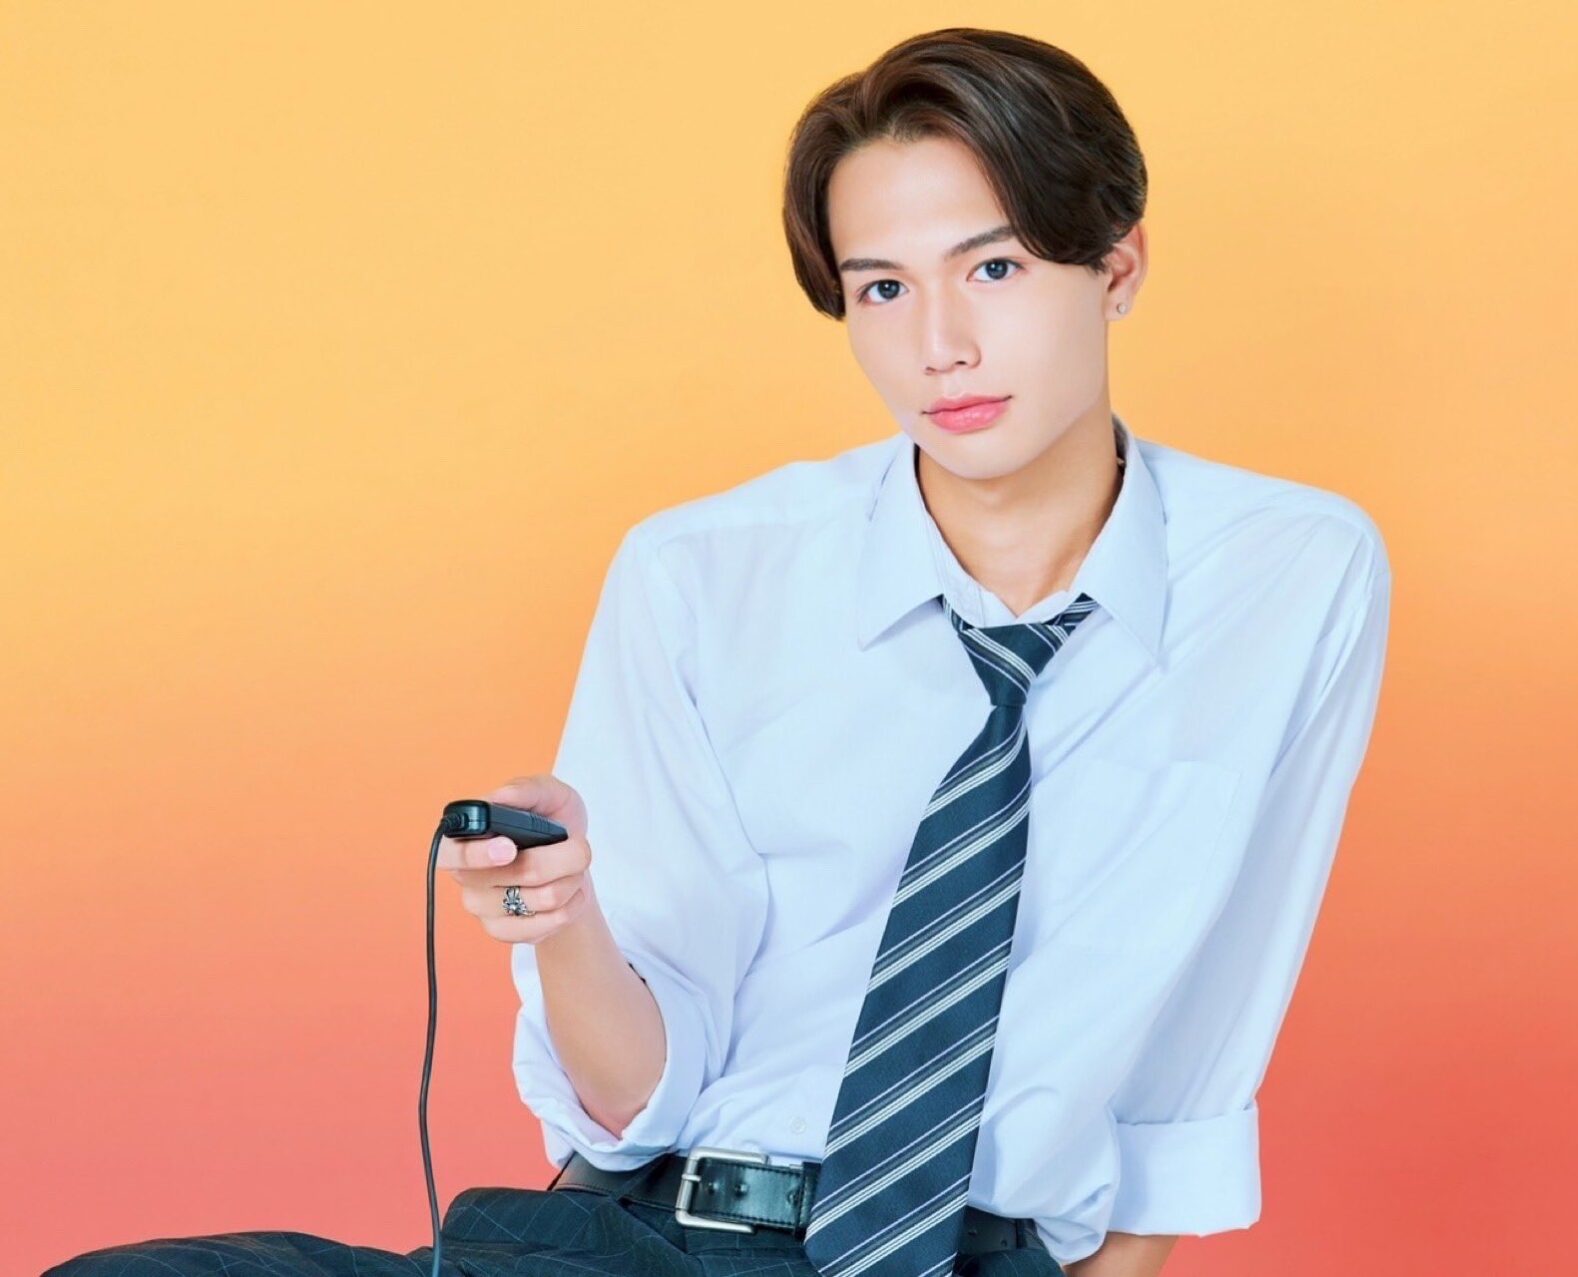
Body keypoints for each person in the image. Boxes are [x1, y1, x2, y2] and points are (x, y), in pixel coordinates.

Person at [47, 25, 1391, 1277]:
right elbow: (637, 1097)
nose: (941, 345)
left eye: (995, 269)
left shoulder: (1291, 574)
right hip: (661, 1231)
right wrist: (564, 923)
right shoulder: (701, 575)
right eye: (882, 288)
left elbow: (1204, 1042)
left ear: (1117, 267)